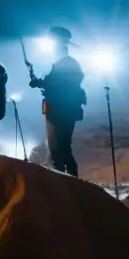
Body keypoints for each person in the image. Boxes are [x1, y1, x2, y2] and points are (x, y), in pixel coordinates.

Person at [29, 26, 86, 176]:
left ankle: (64, 184)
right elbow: (58, 82)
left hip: (60, 112)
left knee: (58, 149)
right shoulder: (62, 64)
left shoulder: (67, 64)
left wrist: (44, 83)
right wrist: (42, 83)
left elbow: (64, 85)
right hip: (58, 110)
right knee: (61, 148)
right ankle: (69, 182)